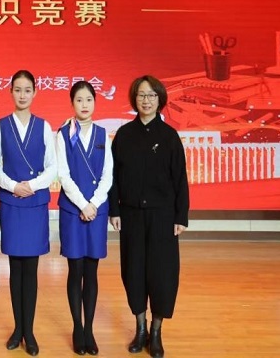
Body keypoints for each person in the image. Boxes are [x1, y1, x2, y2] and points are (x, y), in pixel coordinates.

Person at [109, 75, 189, 358]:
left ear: (160, 100)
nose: (146, 100)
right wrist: (115, 210)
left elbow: (180, 179)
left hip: (162, 217)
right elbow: (113, 177)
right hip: (130, 215)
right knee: (133, 272)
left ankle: (156, 332)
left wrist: (180, 216)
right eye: (141, 95)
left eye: (151, 95)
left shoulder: (169, 137)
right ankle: (140, 328)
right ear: (134, 99)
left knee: (162, 274)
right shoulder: (124, 135)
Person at [0, 70, 57, 356]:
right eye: (17, 90)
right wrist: (12, 186)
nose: (22, 95)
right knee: (15, 268)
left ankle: (28, 331)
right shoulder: (0, 125)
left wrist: (31, 185)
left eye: (27, 90)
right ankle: (17, 328)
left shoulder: (44, 126)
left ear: (34, 93)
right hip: (11, 201)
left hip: (34, 202)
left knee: (30, 269)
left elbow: (52, 166)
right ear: (11, 92)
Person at [56, 81, 113, 356]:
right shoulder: (63, 134)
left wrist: (94, 204)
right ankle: (77, 328)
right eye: (79, 100)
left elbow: (108, 175)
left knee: (91, 271)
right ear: (72, 103)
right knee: (75, 270)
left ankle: (89, 329)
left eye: (89, 99)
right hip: (72, 211)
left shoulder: (103, 134)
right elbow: (63, 174)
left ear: (95, 102)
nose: (84, 104)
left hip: (96, 211)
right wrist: (82, 204)